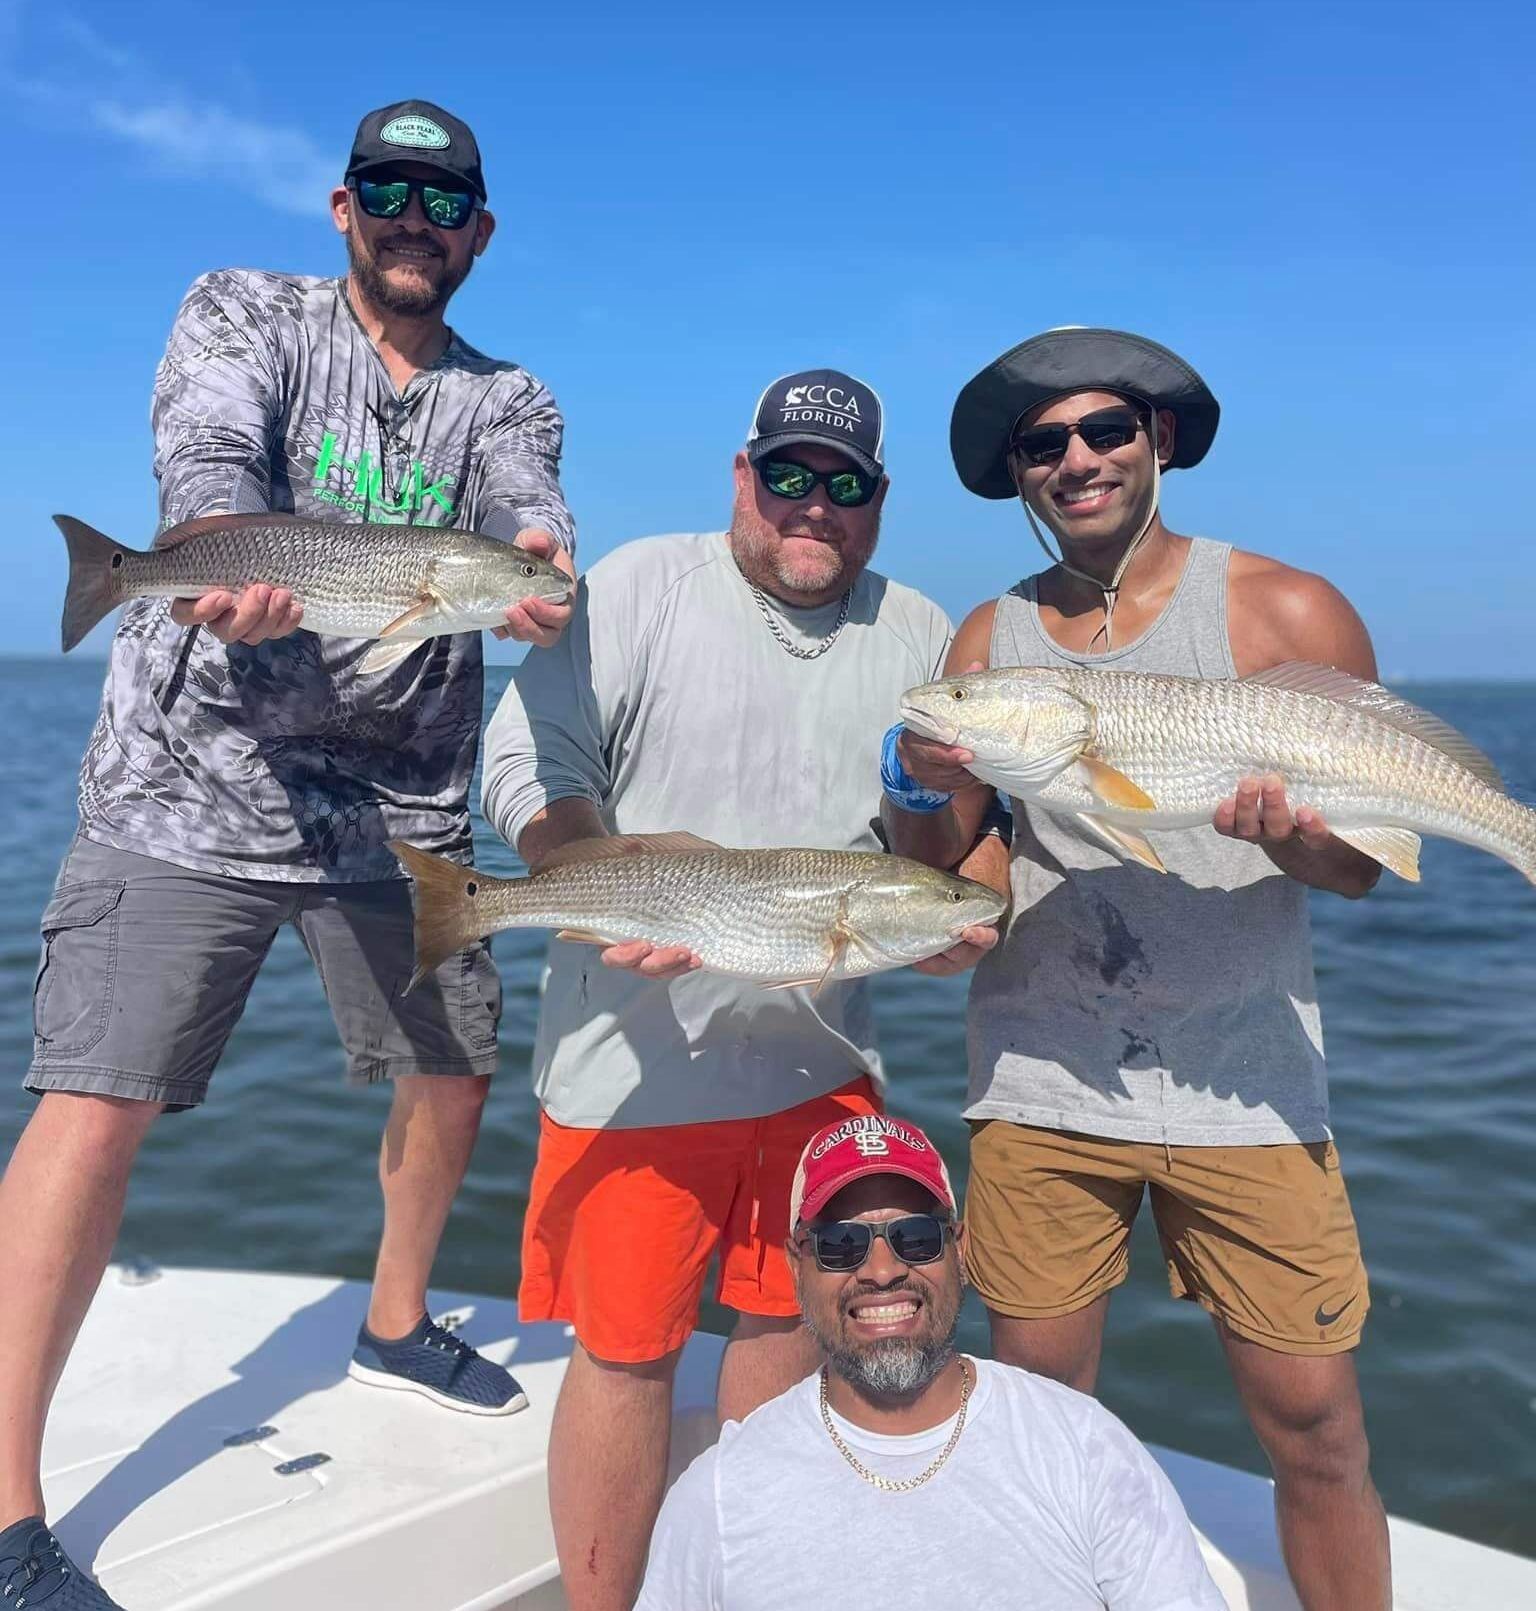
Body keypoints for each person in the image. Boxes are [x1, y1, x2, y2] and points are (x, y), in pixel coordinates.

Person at [0, 99, 575, 1605]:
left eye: (442, 200)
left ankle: (394, 1322)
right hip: (189, 781)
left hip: (399, 804)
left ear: (479, 234)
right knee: (97, 1100)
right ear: (342, 206)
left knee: (448, 1068)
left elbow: (528, 515)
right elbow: (206, 448)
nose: (413, 217)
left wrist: (542, 569)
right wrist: (210, 549)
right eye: (387, 190)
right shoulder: (242, 309)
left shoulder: (509, 397)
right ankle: (3, 1510)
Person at [885, 327, 1390, 1611]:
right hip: (1044, 1076)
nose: (1079, 459)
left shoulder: (1289, 611)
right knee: (1039, 1418)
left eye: (1106, 431)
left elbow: (1361, 869)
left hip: (1249, 1077)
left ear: (1157, 442)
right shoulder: (990, 638)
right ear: (1020, 475)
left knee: (1317, 1426)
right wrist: (914, 785)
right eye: (1044, 444)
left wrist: (1307, 834)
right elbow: (963, 853)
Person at [479, 369, 999, 1611]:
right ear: (742, 475)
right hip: (630, 1065)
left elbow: (971, 839)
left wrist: (969, 912)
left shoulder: (922, 632)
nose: (814, 508)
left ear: (879, 501)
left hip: (823, 1068)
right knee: (626, 1354)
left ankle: (744, 1587)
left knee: (789, 1331)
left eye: (847, 487)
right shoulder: (640, 587)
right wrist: (603, 882)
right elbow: (528, 760)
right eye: (790, 478)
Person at [636, 1113, 1225, 1609]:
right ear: (797, 1264)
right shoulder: (720, 1493)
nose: (883, 1271)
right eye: (841, 1245)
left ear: (959, 1248)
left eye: (916, 1237)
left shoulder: (1084, 1447)